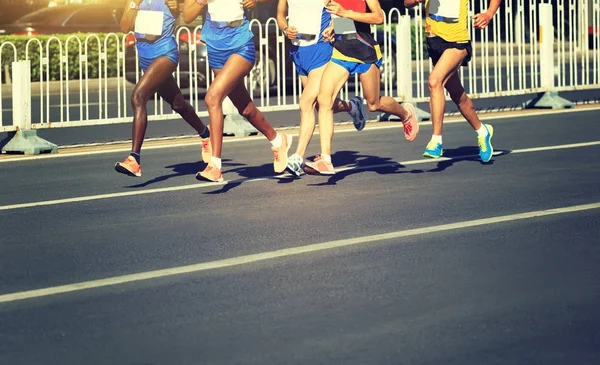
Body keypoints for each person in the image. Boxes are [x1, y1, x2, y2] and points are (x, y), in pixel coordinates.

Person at [305, 0, 419, 175]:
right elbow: (342, 20)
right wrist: (332, 29)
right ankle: (326, 160)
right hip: (342, 51)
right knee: (324, 99)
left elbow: (378, 17)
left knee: (374, 104)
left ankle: (406, 114)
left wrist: (346, 13)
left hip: (365, 51)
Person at [183, 0, 292, 183]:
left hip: (241, 44)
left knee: (212, 98)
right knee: (245, 108)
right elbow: (187, 17)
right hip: (215, 48)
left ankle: (215, 166)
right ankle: (279, 140)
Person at [115, 0, 211, 178]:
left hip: (165, 53)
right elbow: (124, 26)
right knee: (178, 104)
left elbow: (188, 11)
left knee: (138, 97)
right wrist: (135, 4)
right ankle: (206, 134)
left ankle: (134, 159)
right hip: (145, 56)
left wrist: (178, 7)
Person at [276, 0, 367, 177]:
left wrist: (336, 30)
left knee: (305, 102)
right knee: (320, 104)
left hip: (321, 49)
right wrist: (286, 29)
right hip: (298, 52)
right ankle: (352, 106)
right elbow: (280, 14)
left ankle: (298, 157)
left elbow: (342, 13)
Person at [404, 0, 500, 162]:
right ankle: (482, 131)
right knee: (458, 95)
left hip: (457, 40)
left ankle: (436, 140)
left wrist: (489, 13)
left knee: (434, 81)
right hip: (434, 40)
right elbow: (406, 3)